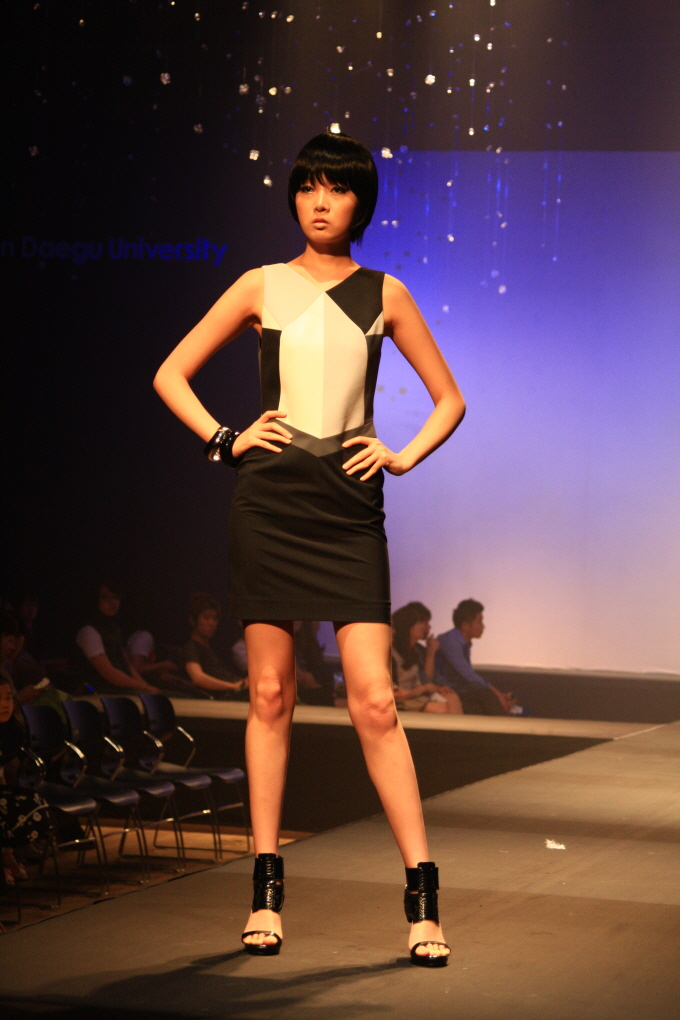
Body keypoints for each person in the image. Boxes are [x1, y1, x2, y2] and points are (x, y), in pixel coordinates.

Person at [153, 131, 466, 966]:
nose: (320, 202)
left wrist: (401, 454)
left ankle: (423, 900)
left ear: (361, 203)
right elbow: (170, 372)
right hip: (269, 501)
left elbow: (449, 399)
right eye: (307, 187)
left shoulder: (385, 292)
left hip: (350, 508)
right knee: (269, 693)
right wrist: (225, 439)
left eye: (337, 188)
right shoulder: (261, 284)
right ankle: (264, 894)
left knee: (375, 702)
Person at [0, 676, 53, 888]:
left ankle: (8, 854)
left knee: (32, 801)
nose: (5, 704)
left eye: (8, 698)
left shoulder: (8, 730)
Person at [436, 599, 517, 715]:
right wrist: (497, 694)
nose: (483, 626)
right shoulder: (450, 641)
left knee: (493, 693)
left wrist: (498, 695)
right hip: (445, 691)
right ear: (465, 626)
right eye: (479, 622)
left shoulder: (463, 643)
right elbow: (467, 674)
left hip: (458, 689)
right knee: (487, 695)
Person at [75, 584, 159, 694]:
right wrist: (144, 688)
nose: (112, 602)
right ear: (94, 600)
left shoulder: (113, 630)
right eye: (105, 597)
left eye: (115, 597)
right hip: (98, 694)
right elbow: (109, 673)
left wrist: (146, 687)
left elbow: (125, 664)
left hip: (119, 691)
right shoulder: (89, 631)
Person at [392, 603, 463, 714]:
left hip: (416, 695)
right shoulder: (393, 653)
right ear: (408, 625)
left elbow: (425, 681)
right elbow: (398, 692)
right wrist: (426, 688)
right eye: (422, 622)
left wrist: (436, 688)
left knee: (452, 697)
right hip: (403, 700)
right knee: (440, 708)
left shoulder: (415, 650)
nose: (428, 627)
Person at [182, 593, 247, 698]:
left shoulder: (215, 649)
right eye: (206, 618)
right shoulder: (191, 647)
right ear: (193, 620)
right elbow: (197, 677)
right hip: (230, 695)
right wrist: (233, 686)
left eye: (215, 619)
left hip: (239, 688)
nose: (212, 623)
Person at [294, 621, 336, 706]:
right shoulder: (287, 645)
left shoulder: (307, 644)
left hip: (311, 691)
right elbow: (302, 678)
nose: (319, 624)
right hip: (304, 692)